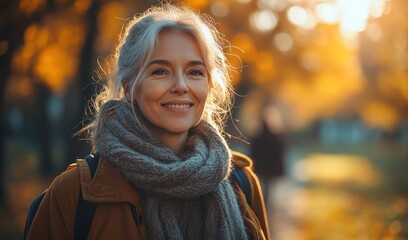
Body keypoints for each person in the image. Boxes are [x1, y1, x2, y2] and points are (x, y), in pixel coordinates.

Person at [26, 3, 270, 240]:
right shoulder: (75, 194)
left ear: (209, 85)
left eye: (195, 72)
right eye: (160, 71)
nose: (181, 86)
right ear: (129, 85)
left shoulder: (242, 184)